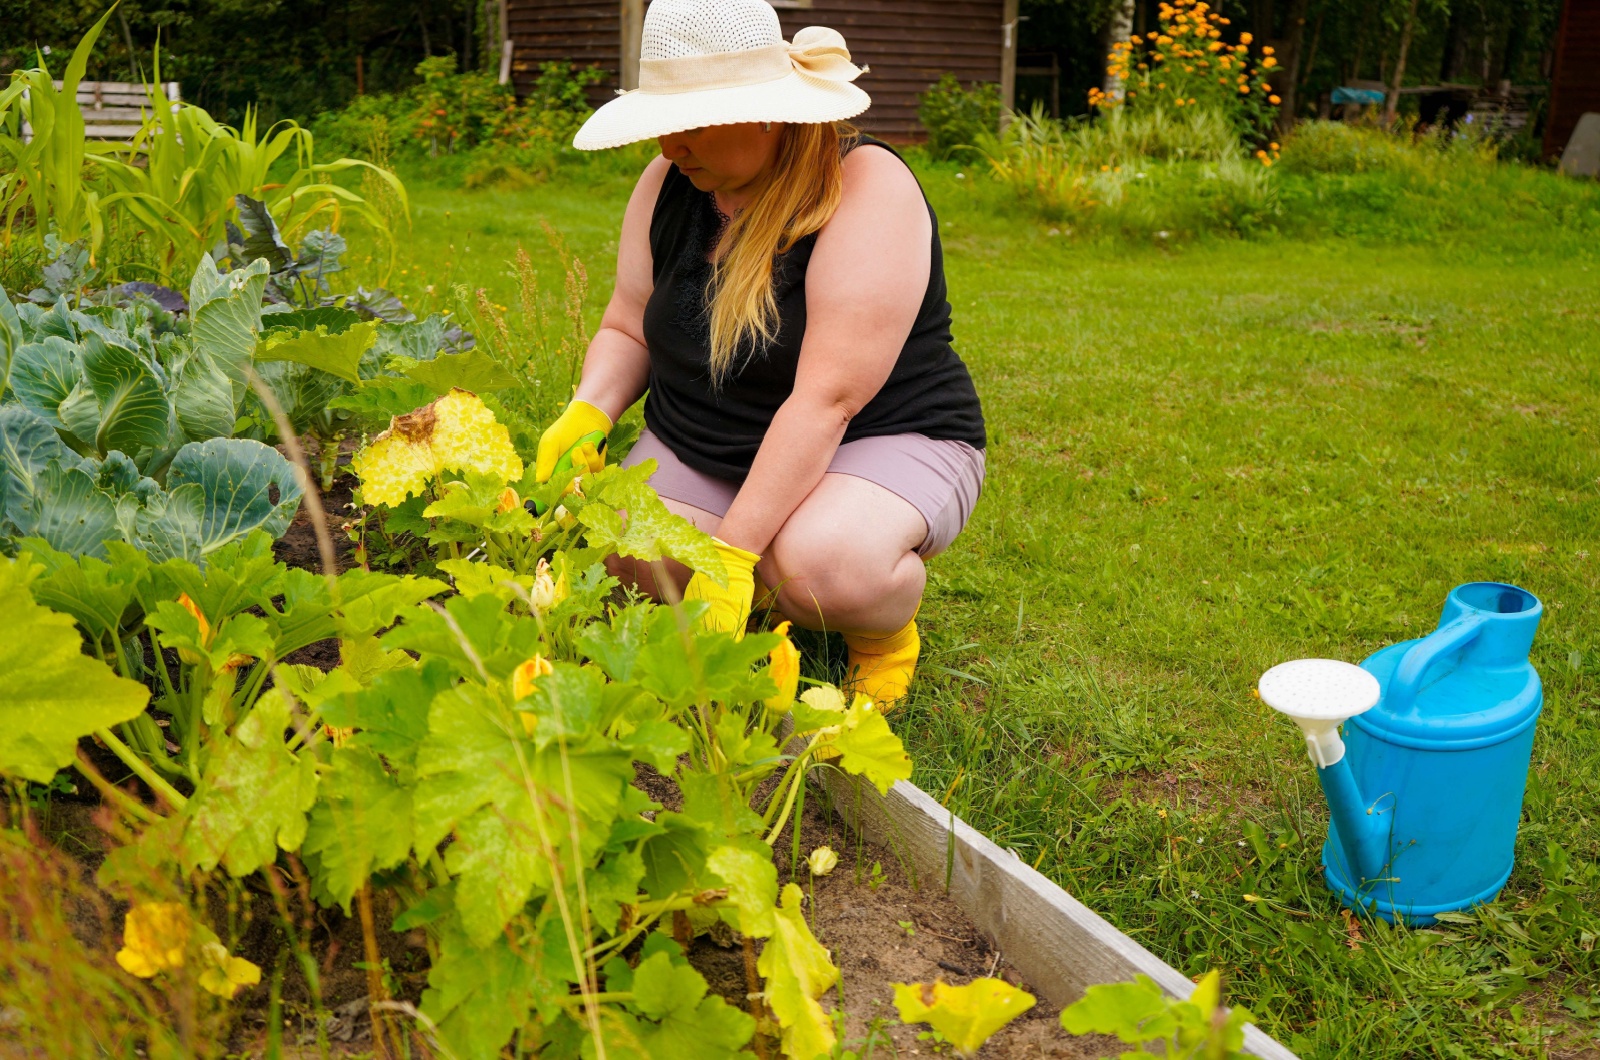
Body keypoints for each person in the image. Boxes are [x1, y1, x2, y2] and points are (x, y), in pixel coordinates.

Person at [535, 0, 986, 707]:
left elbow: (828, 399)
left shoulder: (866, 188)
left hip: (874, 434)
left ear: (768, 111)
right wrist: (588, 413)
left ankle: (880, 634)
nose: (667, 149)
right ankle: (764, 587)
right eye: (662, 126)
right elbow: (627, 326)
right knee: (628, 551)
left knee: (818, 567)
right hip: (718, 435)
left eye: (689, 124)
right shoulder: (667, 186)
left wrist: (731, 554)